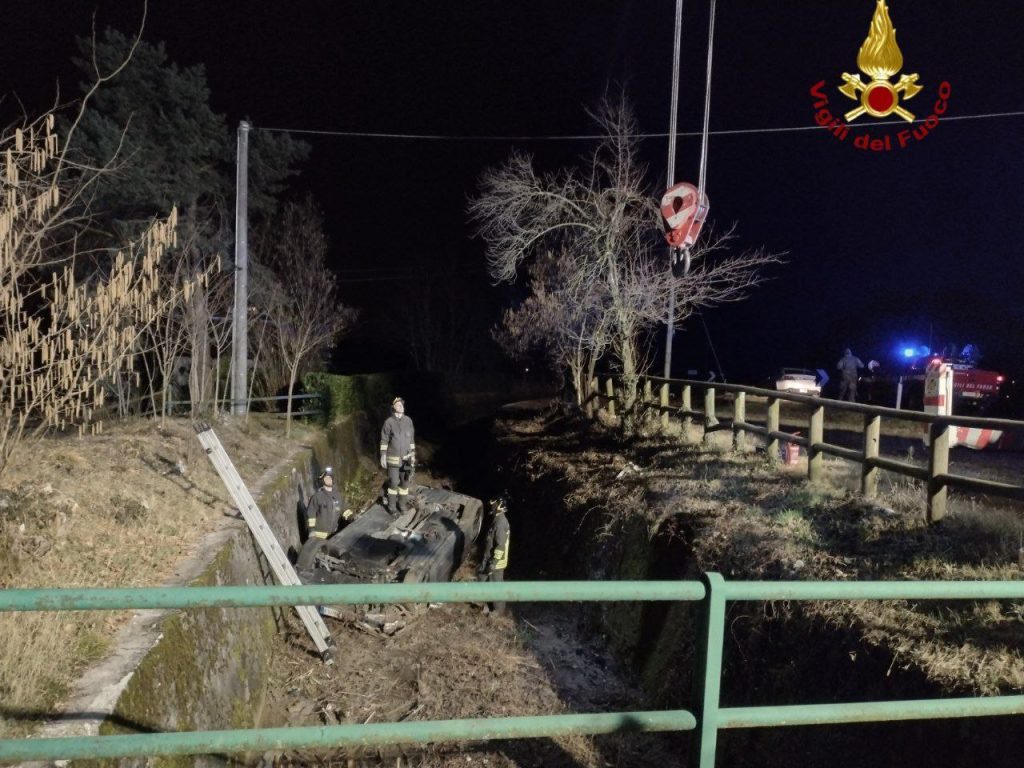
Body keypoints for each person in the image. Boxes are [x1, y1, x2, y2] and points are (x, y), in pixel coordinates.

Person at [379, 397, 416, 514]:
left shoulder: (408, 421)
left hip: (406, 460)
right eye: (398, 404)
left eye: (402, 405)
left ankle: (402, 505)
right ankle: (392, 507)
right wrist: (383, 455)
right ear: (393, 407)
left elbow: (411, 440)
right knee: (393, 483)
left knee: (404, 484)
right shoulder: (389, 422)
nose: (401, 406)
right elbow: (384, 440)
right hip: (393, 460)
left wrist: (413, 455)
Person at [479, 495, 511, 615]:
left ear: (499, 506)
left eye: (494, 504)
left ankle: (498, 611)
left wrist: (494, 562)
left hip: (495, 562)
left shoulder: (501, 523)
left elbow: (500, 545)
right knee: (482, 578)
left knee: (496, 586)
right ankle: (483, 604)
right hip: (488, 558)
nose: (491, 506)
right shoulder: (496, 519)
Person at [306, 466, 352, 540]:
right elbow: (311, 514)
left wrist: (352, 519)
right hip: (319, 535)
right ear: (322, 481)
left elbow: (344, 510)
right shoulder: (317, 496)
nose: (329, 480)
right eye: (326, 478)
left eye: (330, 478)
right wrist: (311, 530)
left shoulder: (338, 495)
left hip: (333, 534)